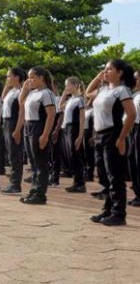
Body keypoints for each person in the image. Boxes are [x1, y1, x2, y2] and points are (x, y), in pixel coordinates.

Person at [86, 60, 136, 226]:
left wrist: (121, 138)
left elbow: (131, 114)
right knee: (102, 174)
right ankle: (107, 209)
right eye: (104, 69)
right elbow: (88, 92)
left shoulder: (122, 91)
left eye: (109, 69)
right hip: (99, 135)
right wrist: (98, 77)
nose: (105, 72)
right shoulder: (104, 90)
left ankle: (118, 213)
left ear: (120, 72)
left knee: (114, 175)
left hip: (112, 134)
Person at [16, 67, 56, 205]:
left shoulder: (46, 93)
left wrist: (45, 135)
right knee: (32, 162)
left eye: (32, 77)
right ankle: (34, 190)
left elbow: (51, 115)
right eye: (28, 77)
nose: (29, 80)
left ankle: (40, 194)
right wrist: (25, 88)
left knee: (40, 163)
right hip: (28, 127)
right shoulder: (32, 93)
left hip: (39, 127)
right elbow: (21, 102)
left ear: (41, 78)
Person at [59, 77, 87, 193]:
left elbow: (82, 118)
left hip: (74, 128)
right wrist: (64, 94)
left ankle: (80, 183)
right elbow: (60, 106)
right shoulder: (70, 99)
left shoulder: (79, 100)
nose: (67, 88)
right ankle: (76, 182)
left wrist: (80, 136)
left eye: (68, 85)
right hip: (66, 128)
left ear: (75, 85)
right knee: (69, 155)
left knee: (75, 155)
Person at [1, 68, 26, 194]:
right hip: (6, 122)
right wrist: (7, 85)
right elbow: (2, 98)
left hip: (14, 123)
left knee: (15, 155)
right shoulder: (12, 91)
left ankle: (16, 184)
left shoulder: (21, 92)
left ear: (16, 77)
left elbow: (22, 111)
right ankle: (13, 182)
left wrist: (17, 129)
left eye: (9, 76)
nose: (7, 79)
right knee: (11, 154)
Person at [130, 70, 140, 207]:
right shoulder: (135, 95)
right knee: (132, 159)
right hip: (134, 129)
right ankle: (138, 193)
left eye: (136, 78)